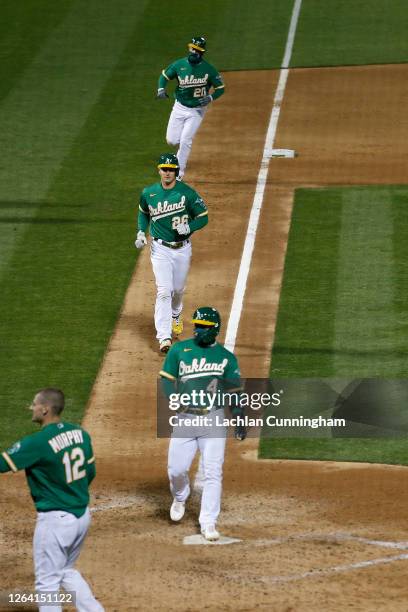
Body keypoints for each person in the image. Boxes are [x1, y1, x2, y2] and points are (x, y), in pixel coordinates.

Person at [0, 388, 104, 612]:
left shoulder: (37, 442)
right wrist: (71, 492)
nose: (31, 407)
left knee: (47, 583)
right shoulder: (80, 433)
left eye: (34, 404)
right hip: (81, 516)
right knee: (65, 570)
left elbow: (2, 464)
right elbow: (91, 471)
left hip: (56, 521)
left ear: (45, 409)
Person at [160, 307, 247, 541]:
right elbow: (167, 379)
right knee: (176, 470)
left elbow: (235, 391)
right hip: (185, 419)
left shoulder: (226, 358)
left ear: (215, 329)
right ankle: (180, 497)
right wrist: (172, 397)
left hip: (213, 421)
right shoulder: (180, 350)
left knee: (213, 472)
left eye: (204, 327)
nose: (198, 330)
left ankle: (208, 521)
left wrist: (239, 418)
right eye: (196, 325)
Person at [135, 154, 208, 353]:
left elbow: (203, 216)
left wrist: (190, 227)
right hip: (160, 249)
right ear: (159, 170)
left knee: (178, 290)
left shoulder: (187, 193)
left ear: (176, 171)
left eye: (171, 169)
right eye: (164, 169)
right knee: (164, 291)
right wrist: (141, 231)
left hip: (182, 249)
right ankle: (164, 337)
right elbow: (143, 212)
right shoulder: (149, 193)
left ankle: (176, 314)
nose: (167, 172)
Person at [156, 36, 225, 180]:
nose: (194, 52)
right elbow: (164, 76)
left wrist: (211, 97)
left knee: (186, 139)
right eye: (192, 49)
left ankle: (179, 173)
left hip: (197, 110)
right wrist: (161, 89)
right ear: (189, 48)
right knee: (172, 141)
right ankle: (180, 153)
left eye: (197, 50)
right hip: (179, 107)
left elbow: (220, 88)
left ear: (202, 52)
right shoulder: (179, 65)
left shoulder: (208, 69)